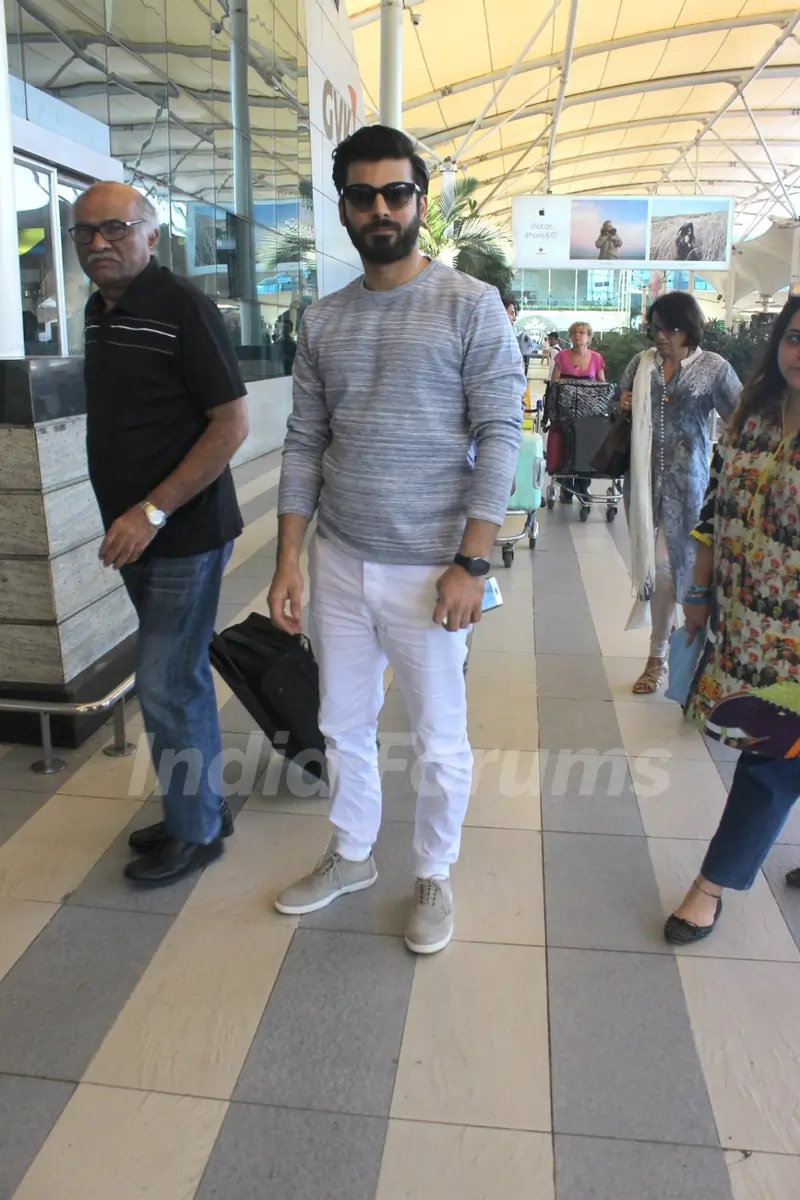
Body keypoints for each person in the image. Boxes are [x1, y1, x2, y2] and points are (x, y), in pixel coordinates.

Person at [268, 125, 524, 955]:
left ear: (419, 201)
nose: (381, 209)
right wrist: (288, 560)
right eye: (362, 195)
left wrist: (471, 560)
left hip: (431, 568)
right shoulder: (324, 319)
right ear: (341, 206)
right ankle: (350, 855)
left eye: (396, 193)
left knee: (439, 734)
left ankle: (434, 875)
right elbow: (304, 441)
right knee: (341, 724)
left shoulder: (470, 305)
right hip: (339, 557)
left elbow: (500, 435)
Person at [72, 182, 249, 885]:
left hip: (181, 531)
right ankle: (200, 805)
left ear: (150, 234)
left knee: (164, 683)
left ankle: (198, 831)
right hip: (137, 534)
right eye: (84, 232)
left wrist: (151, 511)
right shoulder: (99, 311)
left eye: (114, 228)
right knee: (180, 679)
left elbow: (232, 424)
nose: (97, 243)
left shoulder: (182, 307)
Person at [664, 296, 800, 943]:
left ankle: (709, 885)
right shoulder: (751, 413)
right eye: (796, 337)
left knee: (775, 759)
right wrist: (696, 590)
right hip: (747, 624)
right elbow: (714, 506)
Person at [618, 291, 740, 694]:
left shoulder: (713, 369)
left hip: (690, 491)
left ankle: (668, 657)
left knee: (675, 574)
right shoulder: (643, 365)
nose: (662, 337)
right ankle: (663, 657)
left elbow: (738, 419)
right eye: (656, 329)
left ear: (689, 327)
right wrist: (623, 403)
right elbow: (620, 401)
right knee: (658, 572)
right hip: (644, 486)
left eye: (670, 328)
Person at [550, 320, 606, 501]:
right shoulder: (562, 357)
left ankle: (583, 487)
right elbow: (553, 383)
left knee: (587, 449)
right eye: (574, 332)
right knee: (566, 446)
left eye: (582, 332)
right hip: (565, 410)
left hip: (588, 413)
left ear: (589, 336)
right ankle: (566, 488)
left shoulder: (596, 358)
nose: (578, 335)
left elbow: (602, 385)